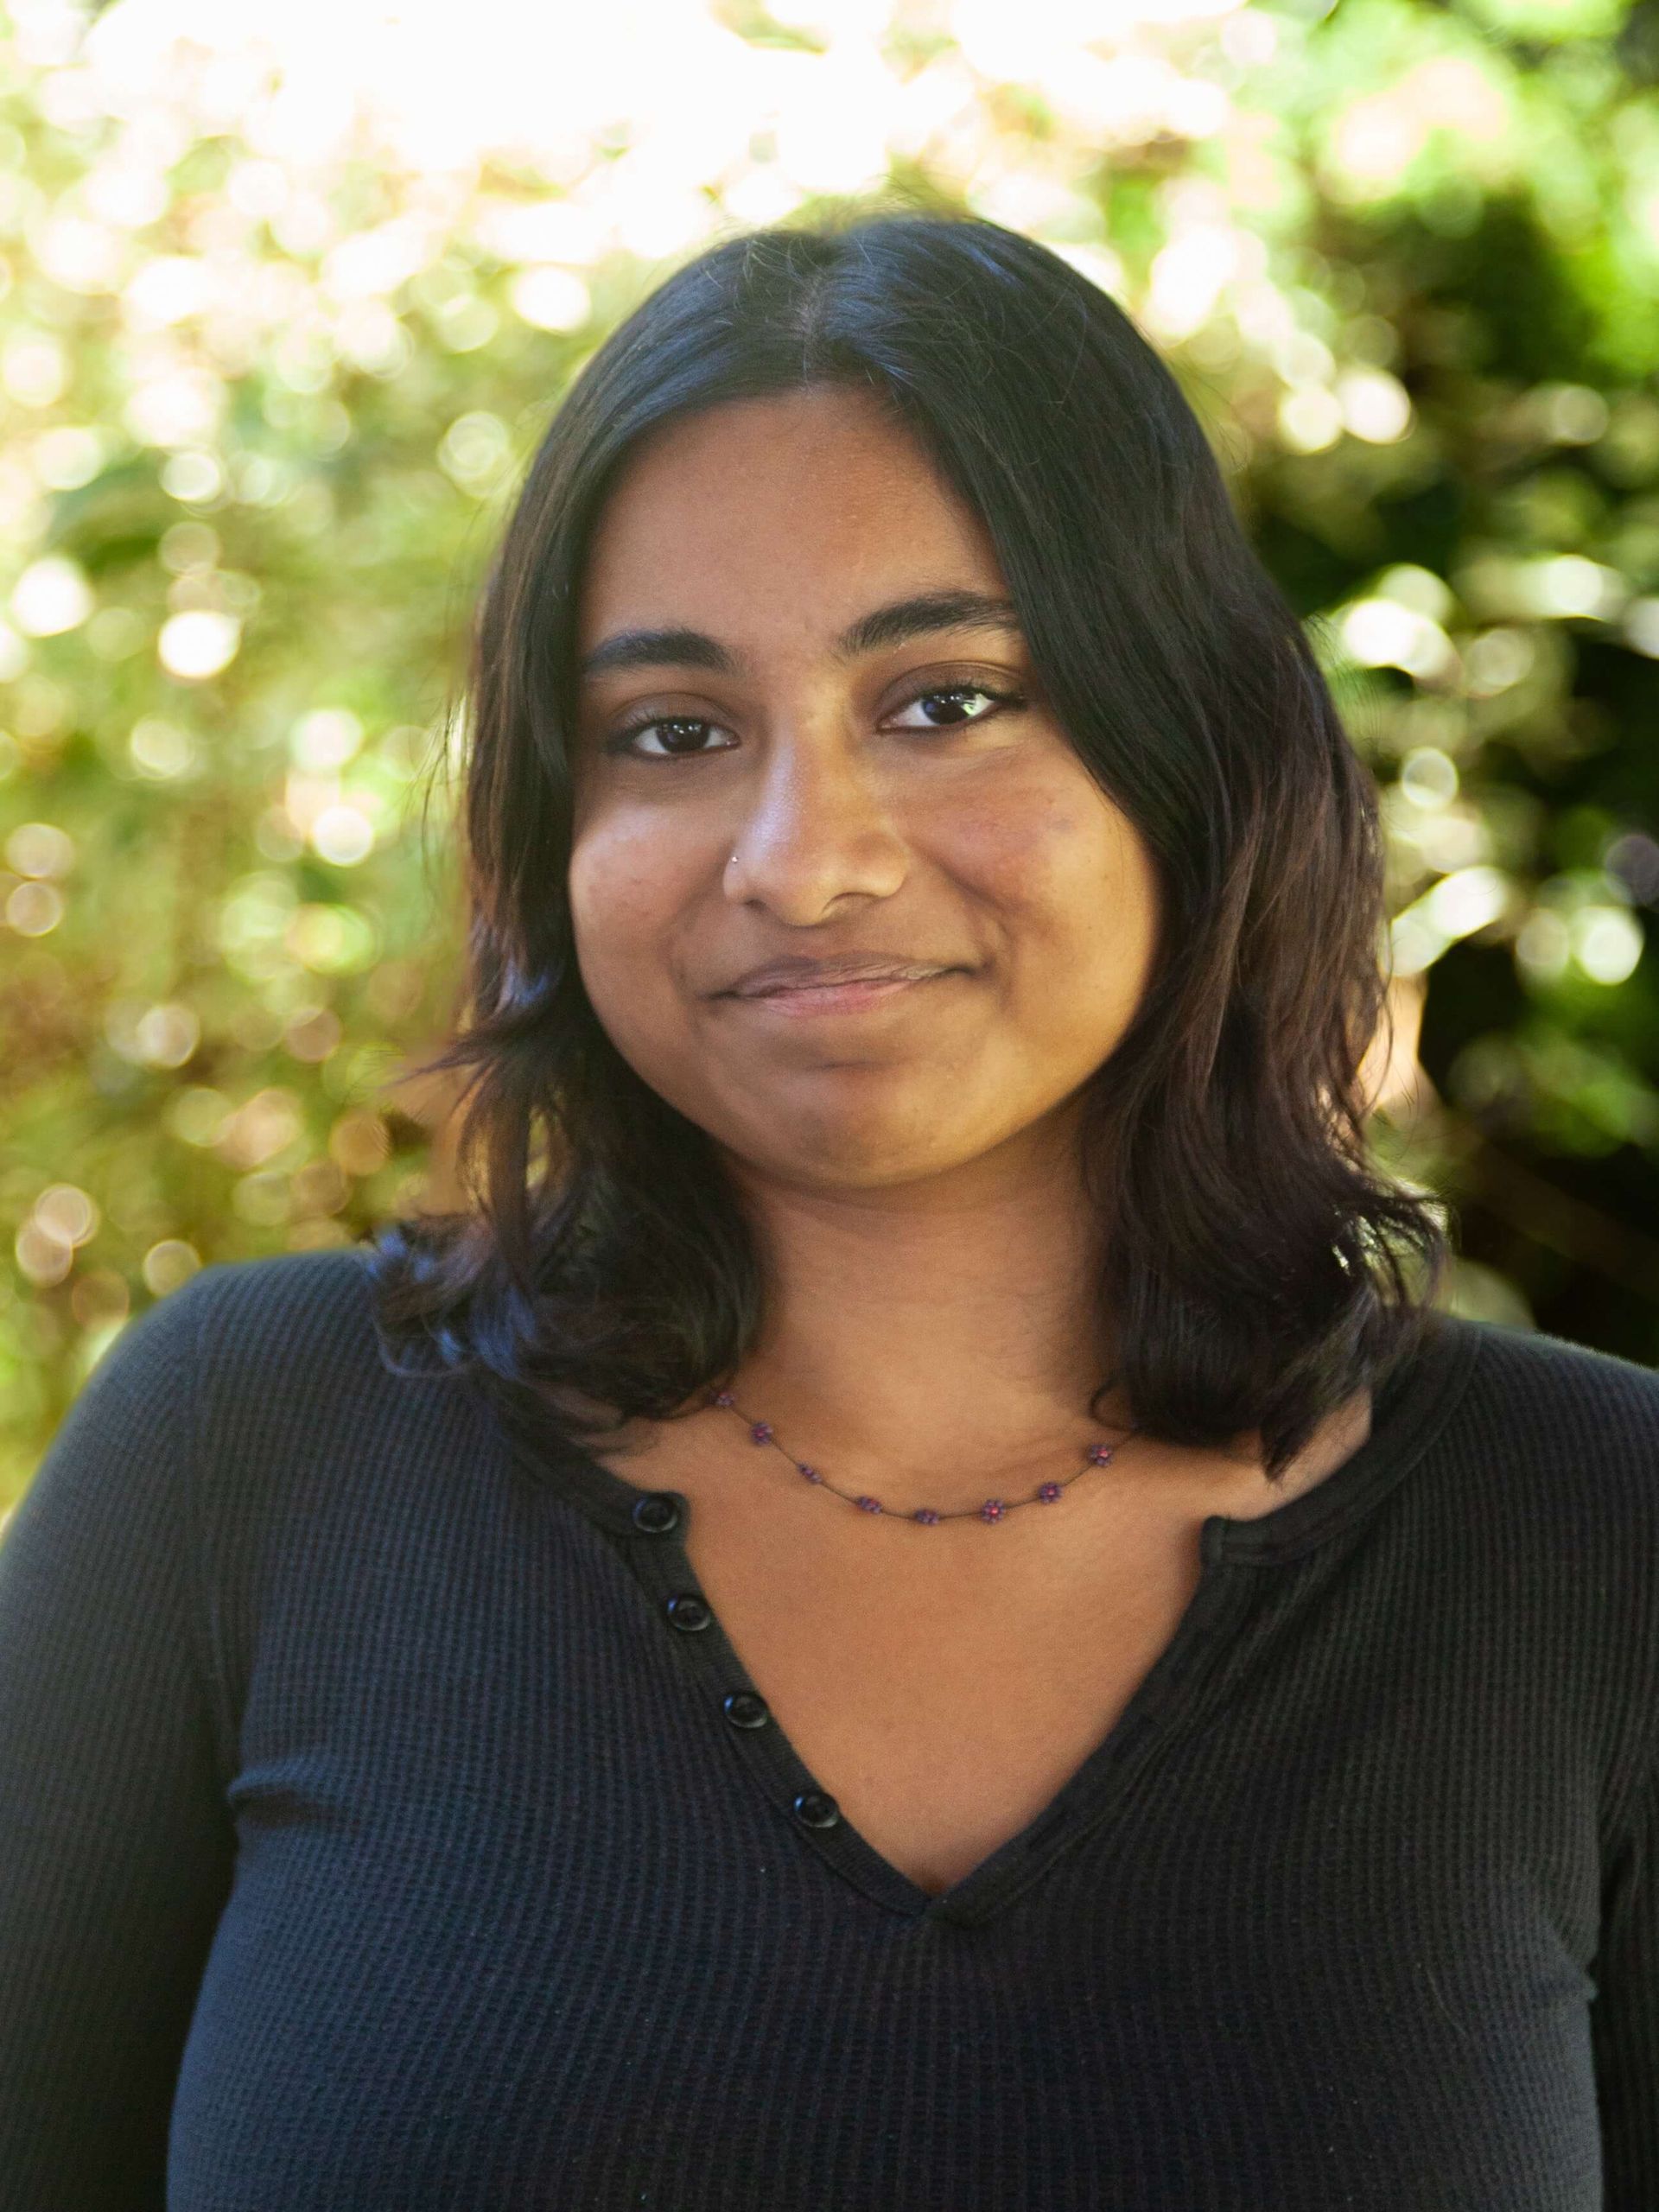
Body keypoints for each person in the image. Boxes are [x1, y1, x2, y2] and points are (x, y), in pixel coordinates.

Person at [1, 206, 1655, 2211]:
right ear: (557, 827)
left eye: (946, 699)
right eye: (674, 734)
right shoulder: (241, 1451)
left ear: (1193, 755)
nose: (805, 859)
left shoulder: (1593, 1539)